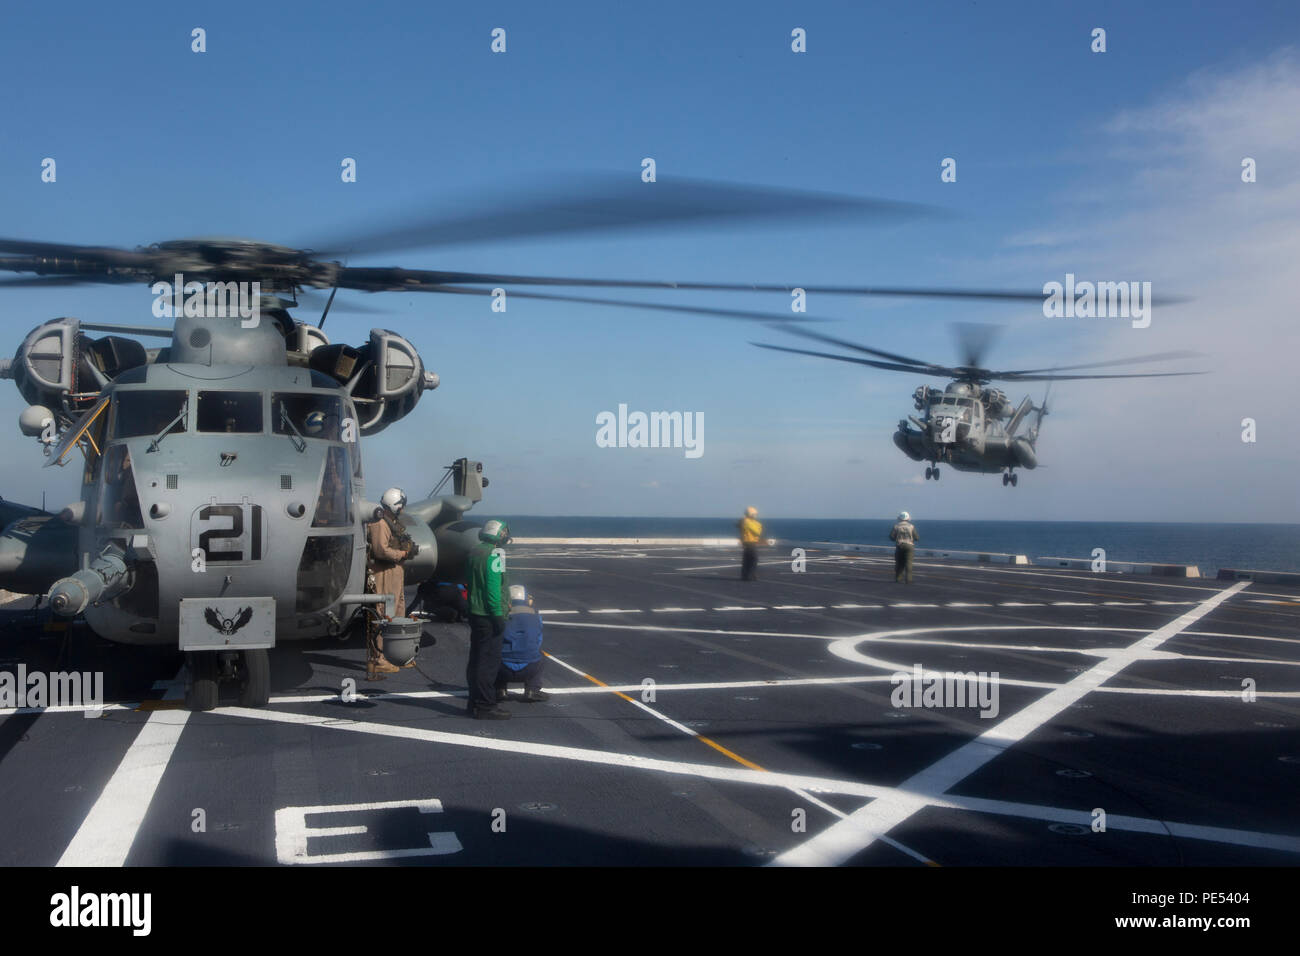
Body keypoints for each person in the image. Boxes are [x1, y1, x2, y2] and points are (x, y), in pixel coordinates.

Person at [365, 487, 417, 678]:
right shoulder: (379, 523)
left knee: (398, 612)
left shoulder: (391, 522)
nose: (402, 510)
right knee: (384, 614)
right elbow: (380, 550)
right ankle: (379, 660)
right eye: (400, 506)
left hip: (395, 571)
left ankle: (397, 654)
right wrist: (402, 554)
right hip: (384, 572)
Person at [464, 519, 512, 719]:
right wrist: (498, 615)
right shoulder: (495, 554)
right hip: (489, 615)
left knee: (476, 659)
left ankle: (474, 701)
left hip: (475, 612)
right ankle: (486, 705)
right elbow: (493, 589)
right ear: (499, 534)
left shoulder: (474, 551)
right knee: (489, 662)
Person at [495, 585, 549, 703]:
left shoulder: (500, 615)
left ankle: (500, 689)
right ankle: (532, 689)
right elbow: (538, 640)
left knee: (494, 652)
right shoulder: (536, 616)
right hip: (530, 667)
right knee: (541, 655)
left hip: (502, 668)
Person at [889, 510, 918, 584]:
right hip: (909, 546)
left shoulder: (896, 526)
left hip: (899, 546)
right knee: (909, 563)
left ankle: (898, 579)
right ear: (908, 518)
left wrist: (897, 538)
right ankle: (908, 580)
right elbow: (917, 537)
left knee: (899, 563)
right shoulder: (911, 526)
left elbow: (891, 537)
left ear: (899, 518)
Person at [738, 506, 763, 581]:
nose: (756, 516)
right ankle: (751, 575)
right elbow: (757, 532)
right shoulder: (747, 522)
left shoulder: (745, 521)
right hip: (750, 542)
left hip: (747, 542)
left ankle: (745, 575)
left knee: (747, 560)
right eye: (755, 514)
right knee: (754, 559)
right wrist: (759, 526)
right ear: (750, 514)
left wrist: (757, 525)